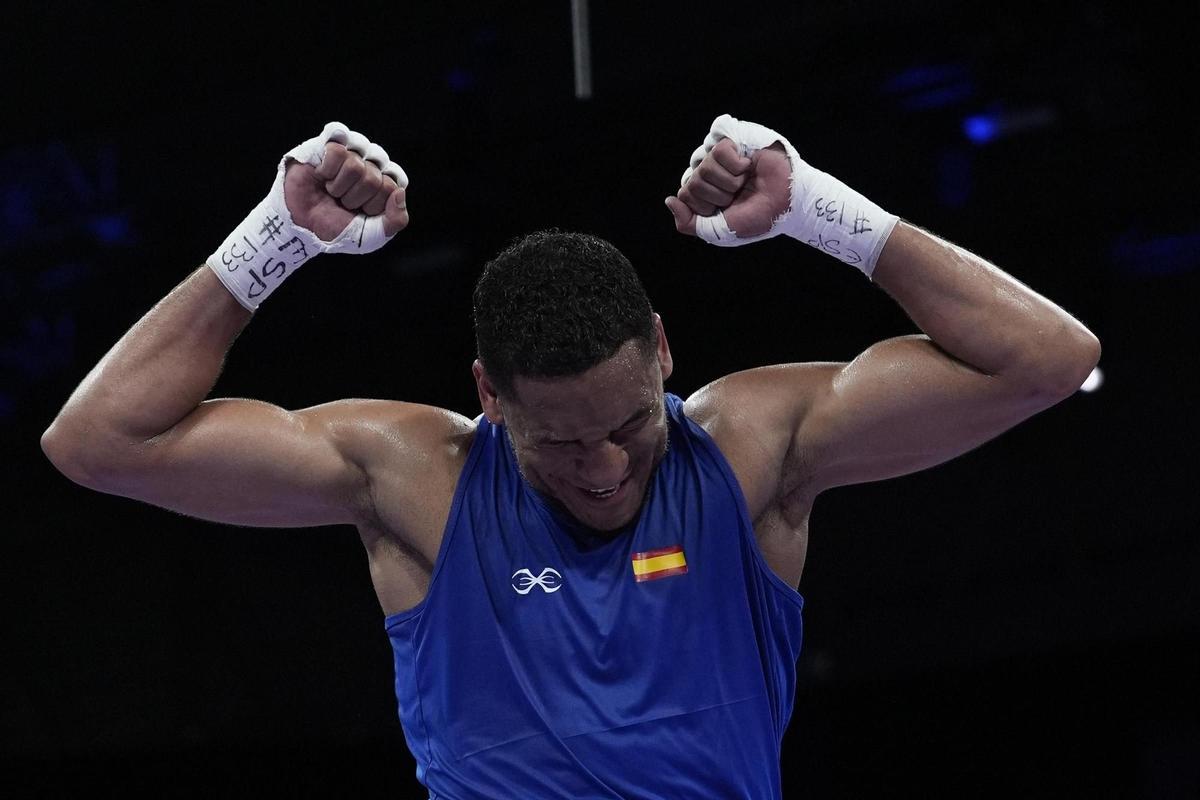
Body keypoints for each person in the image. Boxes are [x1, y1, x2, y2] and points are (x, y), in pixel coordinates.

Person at [41, 115, 1100, 798]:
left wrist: (824, 212)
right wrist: (276, 235)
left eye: (630, 425)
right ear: (488, 395)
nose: (600, 465)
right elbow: (97, 440)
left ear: (665, 351)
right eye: (556, 441)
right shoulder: (420, 474)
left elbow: (1049, 359)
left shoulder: (746, 447)